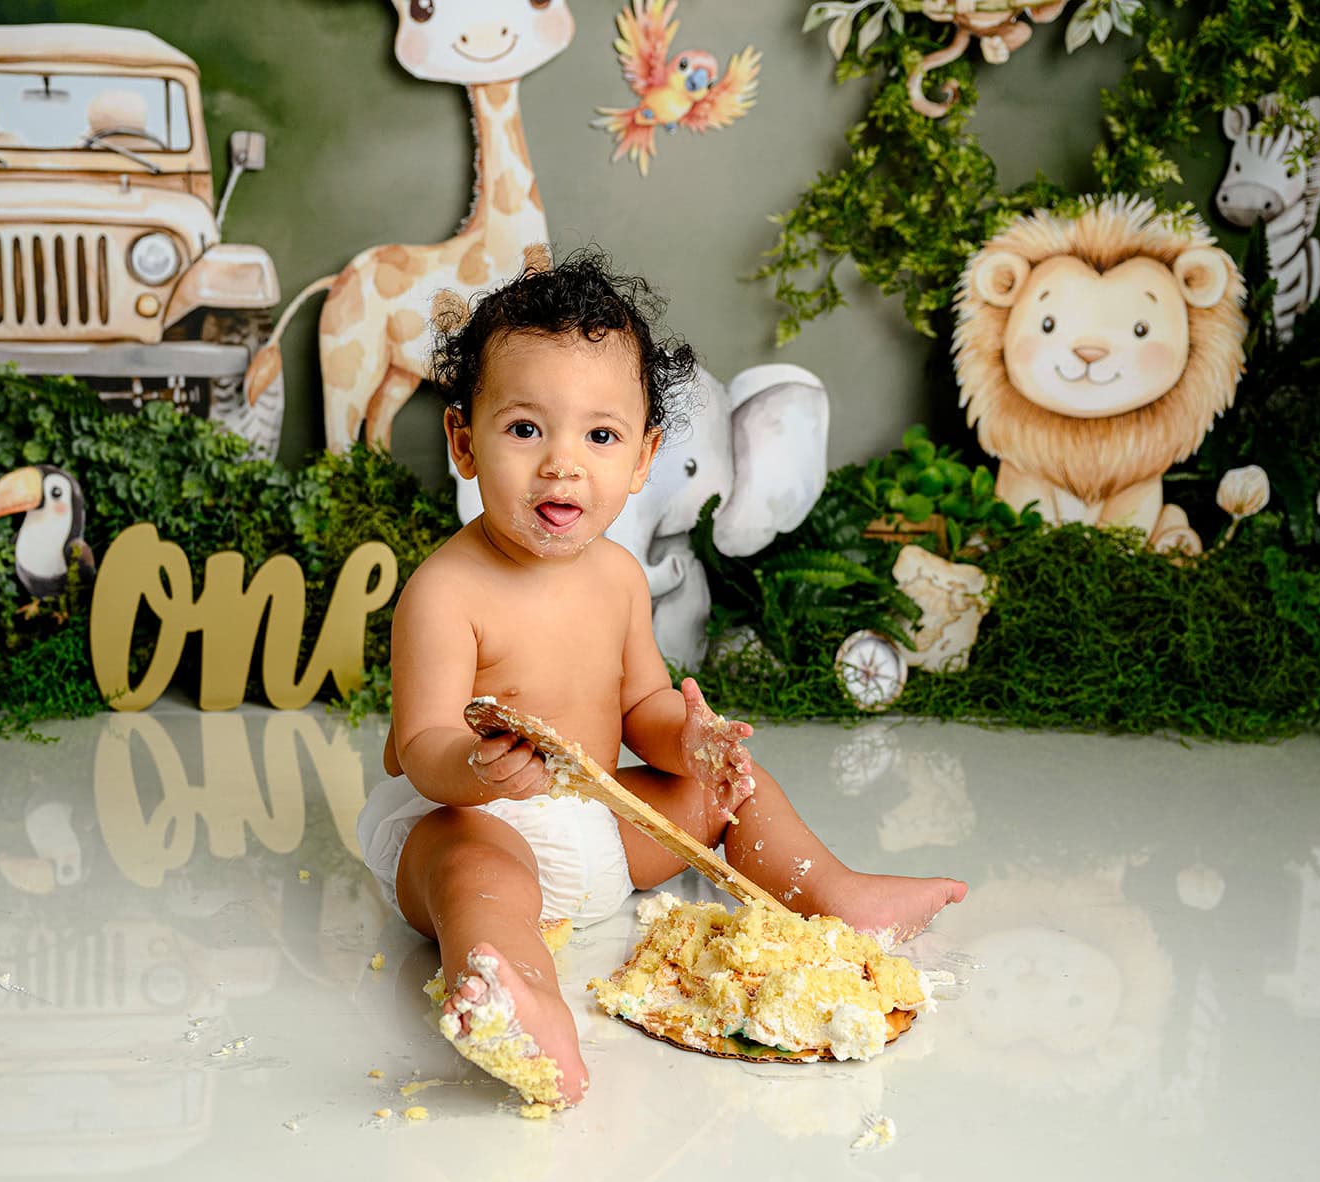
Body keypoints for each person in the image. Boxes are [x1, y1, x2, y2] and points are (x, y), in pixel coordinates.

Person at [356, 252, 967, 1109]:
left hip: (600, 817)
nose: (562, 464)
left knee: (731, 787)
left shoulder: (618, 578)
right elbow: (422, 747)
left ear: (643, 458)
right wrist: (478, 767)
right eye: (526, 428)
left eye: (599, 436)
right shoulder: (445, 591)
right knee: (481, 878)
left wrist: (687, 741)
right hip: (468, 813)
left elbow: (640, 705)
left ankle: (832, 892)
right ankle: (520, 994)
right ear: (464, 440)